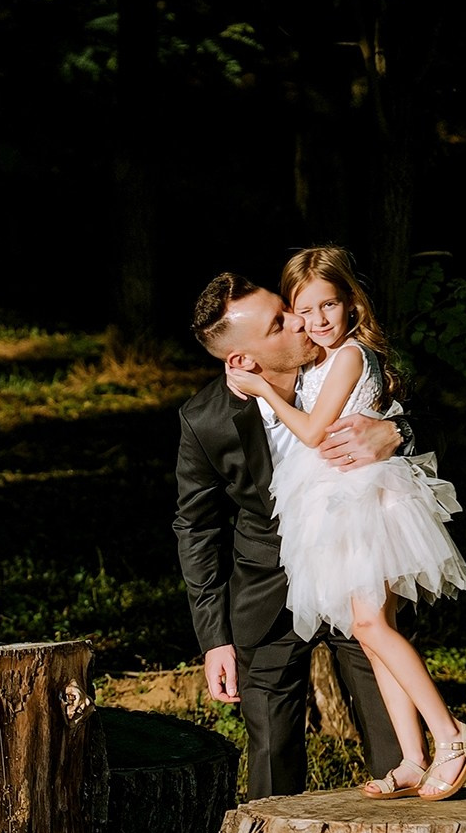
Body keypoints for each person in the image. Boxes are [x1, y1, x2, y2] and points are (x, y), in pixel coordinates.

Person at [223, 248, 466, 801]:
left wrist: (265, 389)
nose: (317, 320)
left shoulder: (350, 357)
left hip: (367, 503)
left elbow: (314, 432)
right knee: (372, 633)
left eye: (329, 305)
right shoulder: (318, 360)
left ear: (350, 302)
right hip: (335, 509)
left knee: (370, 627)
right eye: (304, 309)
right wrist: (252, 371)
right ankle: (412, 757)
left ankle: (452, 735)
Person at [175, 269, 414, 800]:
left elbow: (429, 427)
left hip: (352, 573)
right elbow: (196, 526)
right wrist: (214, 638)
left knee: (394, 730)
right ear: (241, 360)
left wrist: (399, 432)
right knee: (271, 760)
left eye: (291, 308)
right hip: (267, 588)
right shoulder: (205, 421)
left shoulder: (341, 364)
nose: (302, 320)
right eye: (280, 322)